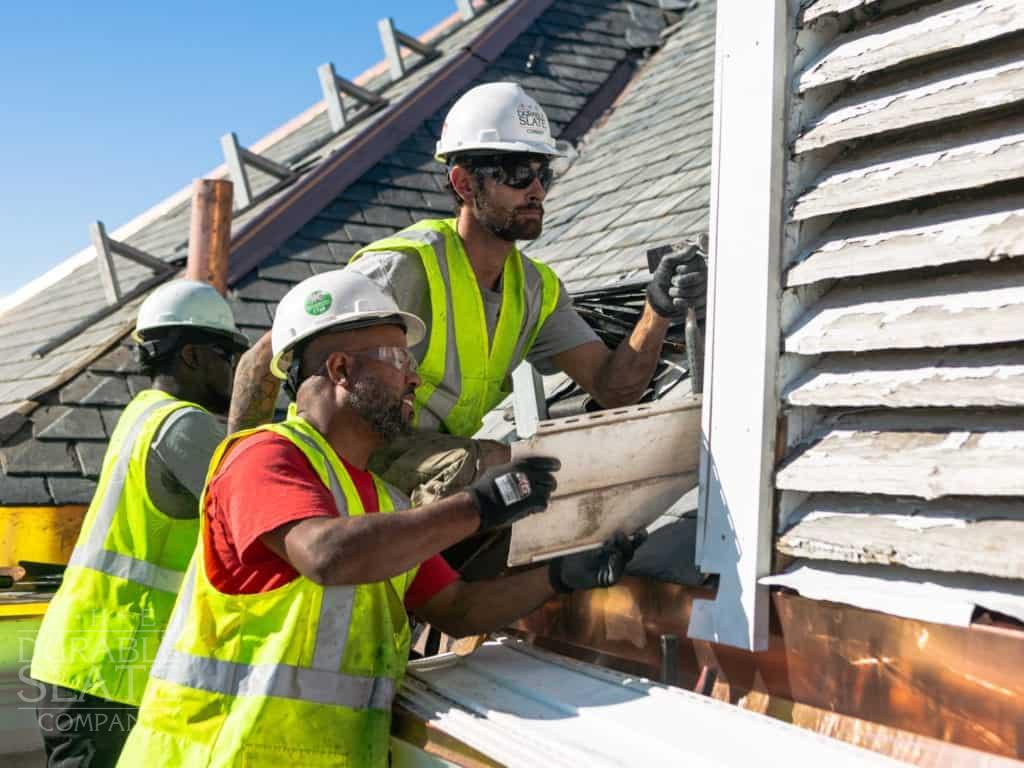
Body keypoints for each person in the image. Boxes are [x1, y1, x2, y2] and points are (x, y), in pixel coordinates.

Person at [117, 270, 643, 767]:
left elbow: (458, 608)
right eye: (397, 358)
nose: (414, 378)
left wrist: (561, 575)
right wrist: (478, 506)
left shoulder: (384, 503)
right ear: (341, 370)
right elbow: (325, 554)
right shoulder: (262, 456)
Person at [228, 81, 705, 573]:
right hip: (353, 454)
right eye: (518, 173)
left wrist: (656, 309)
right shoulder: (403, 268)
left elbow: (615, 388)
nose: (537, 189)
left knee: (543, 474)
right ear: (462, 183)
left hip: (429, 463)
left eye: (543, 172)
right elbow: (263, 356)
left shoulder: (535, 289)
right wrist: (240, 477)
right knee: (500, 471)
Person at [29, 279, 250, 767]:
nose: (233, 370)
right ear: (191, 356)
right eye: (225, 355)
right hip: (108, 673)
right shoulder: (184, 426)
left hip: (85, 663)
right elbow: (254, 518)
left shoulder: (141, 413)